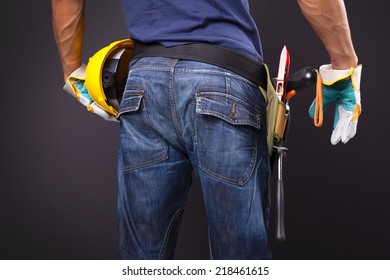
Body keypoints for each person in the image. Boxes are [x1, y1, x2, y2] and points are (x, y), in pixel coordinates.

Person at [51, 0, 361, 259]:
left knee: (141, 262)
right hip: (223, 77)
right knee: (240, 262)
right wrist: (344, 64)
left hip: (145, 84)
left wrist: (72, 70)